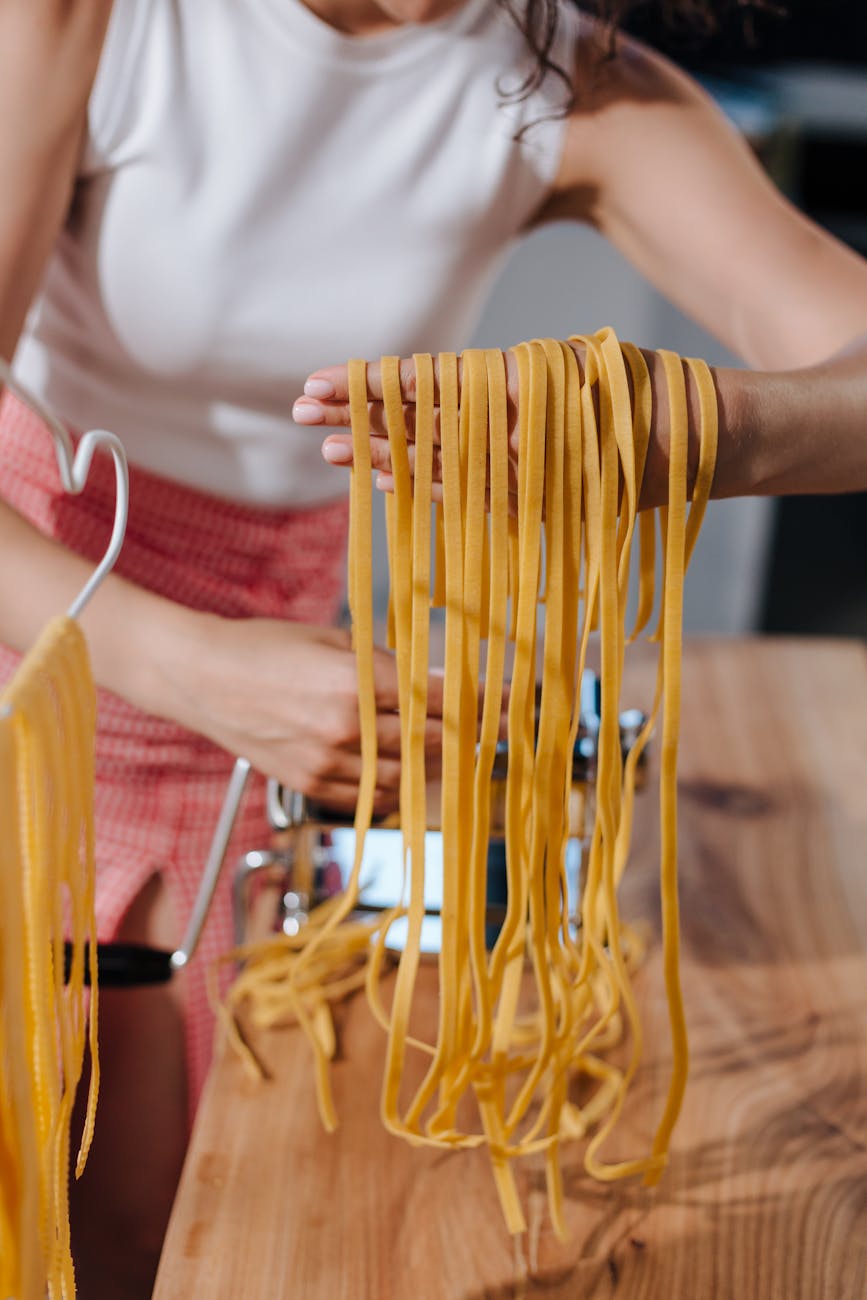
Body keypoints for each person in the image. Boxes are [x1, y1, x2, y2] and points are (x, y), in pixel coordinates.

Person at [0, 1, 864, 1296]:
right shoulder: (94, 22)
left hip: (275, 733)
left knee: (184, 1223)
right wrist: (189, 665)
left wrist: (709, 429)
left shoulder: (568, 83)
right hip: (38, 661)